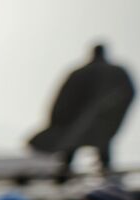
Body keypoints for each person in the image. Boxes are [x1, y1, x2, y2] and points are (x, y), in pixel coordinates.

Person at [30, 44, 135, 178]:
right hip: (96, 119)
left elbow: (63, 97)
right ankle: (85, 169)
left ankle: (77, 169)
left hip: (89, 119)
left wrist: (57, 118)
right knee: (93, 141)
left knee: (79, 140)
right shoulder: (116, 71)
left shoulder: (80, 72)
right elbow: (128, 92)